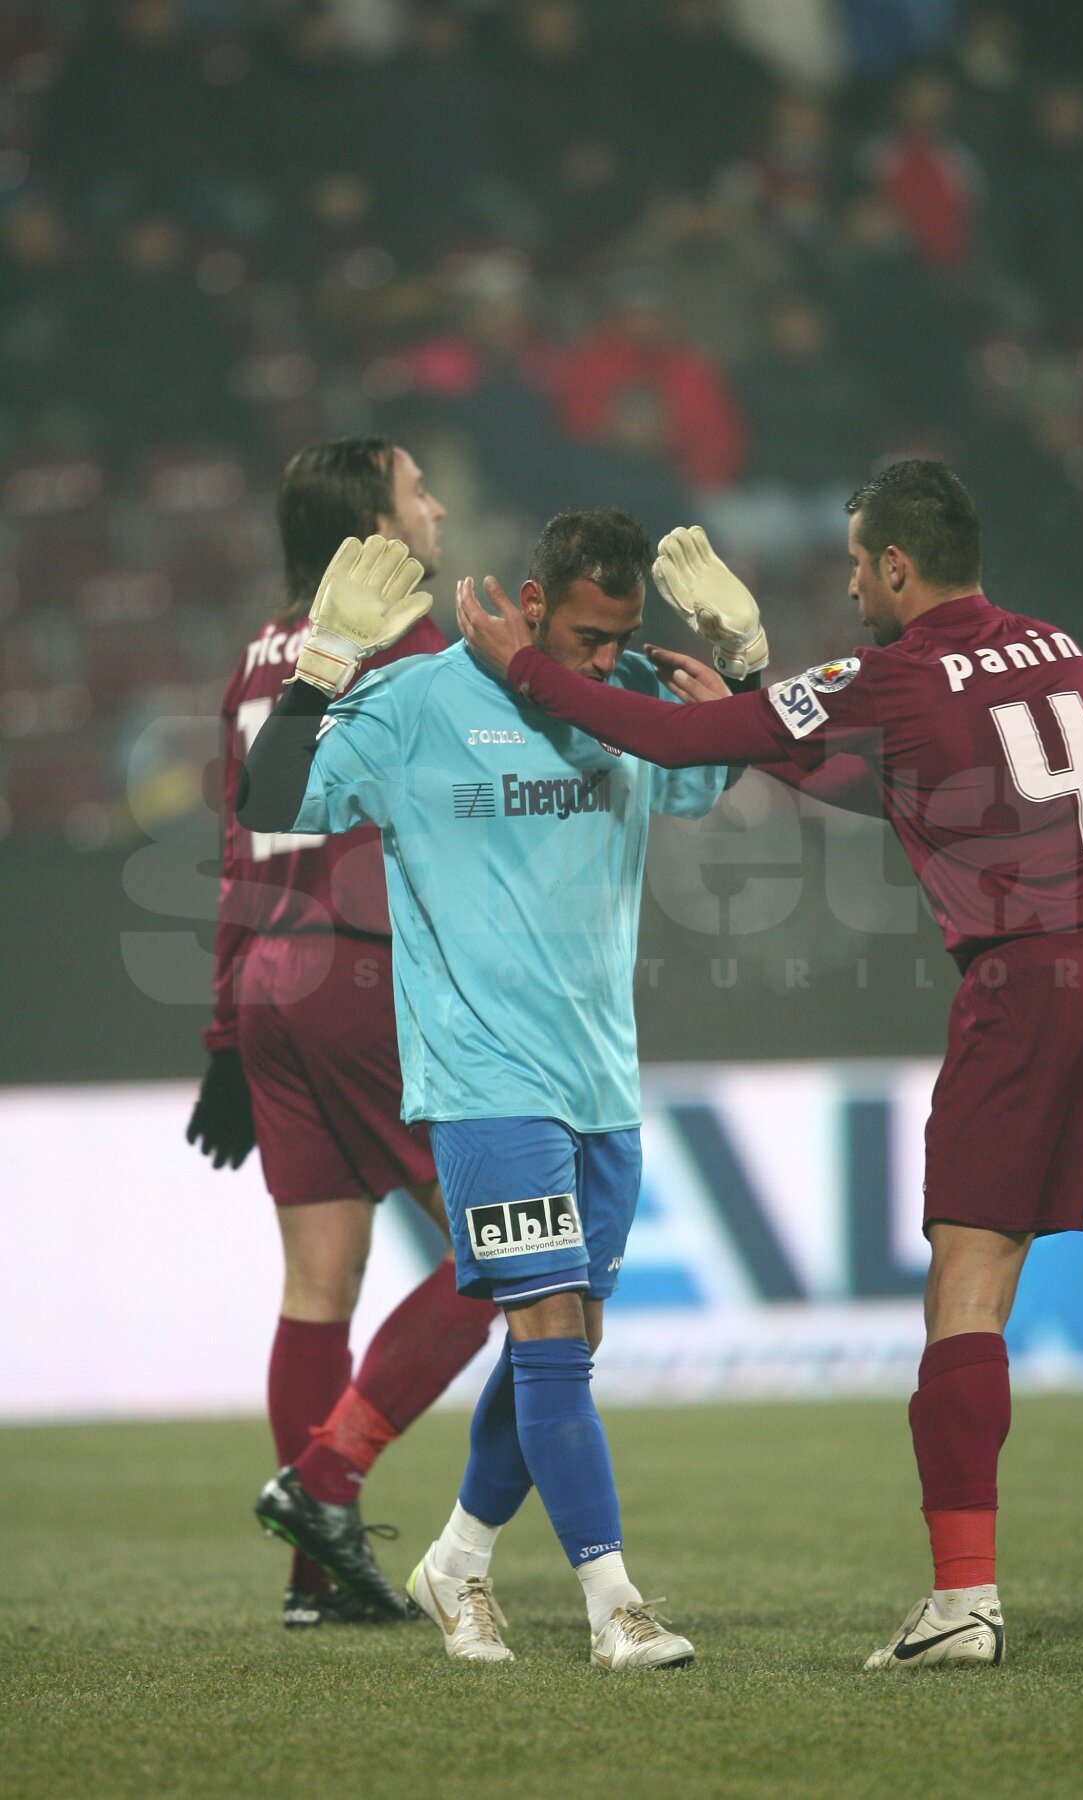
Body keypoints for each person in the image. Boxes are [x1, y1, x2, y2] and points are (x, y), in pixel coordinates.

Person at [457, 459, 1083, 1668]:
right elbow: (910, 789)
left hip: (1033, 983)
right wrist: (759, 706)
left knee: (967, 1287)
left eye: (859, 564)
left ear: (897, 565)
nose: (852, 585)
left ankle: (963, 1601)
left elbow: (672, 733)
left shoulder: (893, 671)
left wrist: (525, 670)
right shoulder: (1059, 650)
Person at [238, 507, 746, 1668]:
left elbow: (716, 778)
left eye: (619, 639)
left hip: (602, 1088)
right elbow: (269, 806)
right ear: (530, 603)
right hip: (482, 1082)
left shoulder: (620, 714)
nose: (601, 661)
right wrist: (318, 674)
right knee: (552, 1336)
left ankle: (456, 1562)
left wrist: (748, 672)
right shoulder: (419, 705)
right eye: (582, 634)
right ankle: (614, 1606)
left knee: (556, 1347)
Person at [187, 437, 496, 1628]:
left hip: (270, 979)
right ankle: (323, 1485)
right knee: (503, 1253)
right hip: (364, 971)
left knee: (319, 1281)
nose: (438, 505)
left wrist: (225, 1032)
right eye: (421, 491)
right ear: (374, 519)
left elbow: (235, 846)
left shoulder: (261, 655)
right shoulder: (407, 648)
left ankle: (317, 1582)